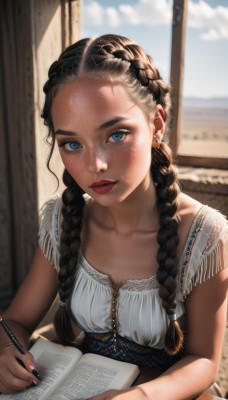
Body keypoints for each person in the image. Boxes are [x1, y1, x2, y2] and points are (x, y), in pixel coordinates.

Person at [0, 34, 227, 399]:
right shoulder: (62, 222)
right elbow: (15, 321)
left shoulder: (204, 236)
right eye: (71, 144)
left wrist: (137, 397)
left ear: (156, 125)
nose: (95, 165)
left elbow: (203, 360)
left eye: (116, 134)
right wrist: (6, 353)